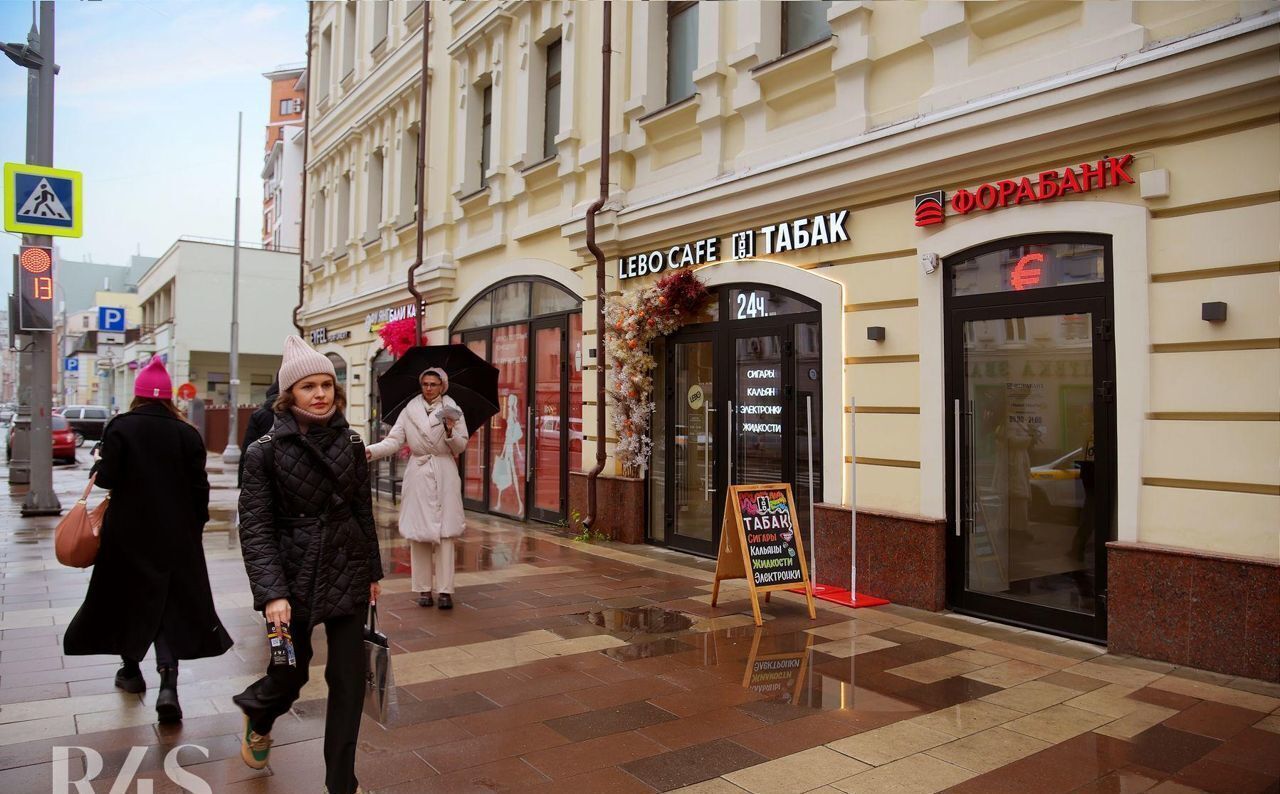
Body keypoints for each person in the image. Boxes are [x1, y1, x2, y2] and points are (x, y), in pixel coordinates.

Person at [233, 336, 382, 794]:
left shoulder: (352, 442)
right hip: (294, 573)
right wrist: (272, 593)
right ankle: (260, 713)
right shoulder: (264, 452)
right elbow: (255, 527)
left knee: (349, 679)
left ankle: (342, 784)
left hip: (347, 564)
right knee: (291, 672)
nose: (319, 394)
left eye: (326, 385)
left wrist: (373, 571)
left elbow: (361, 510)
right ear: (288, 394)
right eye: (307, 387)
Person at [63, 357, 233, 724]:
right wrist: (194, 527)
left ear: (138, 395)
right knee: (167, 606)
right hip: (176, 536)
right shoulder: (187, 433)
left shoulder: (121, 427)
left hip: (127, 534)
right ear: (170, 398)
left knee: (131, 600)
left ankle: (131, 672)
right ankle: (168, 683)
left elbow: (107, 480)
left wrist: (99, 463)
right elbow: (198, 488)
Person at [366, 368, 467, 609]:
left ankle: (445, 591)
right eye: (425, 383)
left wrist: (451, 430)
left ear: (443, 385)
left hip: (444, 471)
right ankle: (423, 589)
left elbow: (461, 446)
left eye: (434, 384)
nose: (429, 388)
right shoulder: (409, 410)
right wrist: (370, 451)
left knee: (446, 534)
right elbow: (394, 440)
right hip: (419, 471)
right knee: (418, 533)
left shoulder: (454, 410)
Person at [238, 378, 279, 488]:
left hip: (262, 473)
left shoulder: (259, 415)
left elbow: (248, 448)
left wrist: (242, 480)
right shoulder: (299, 412)